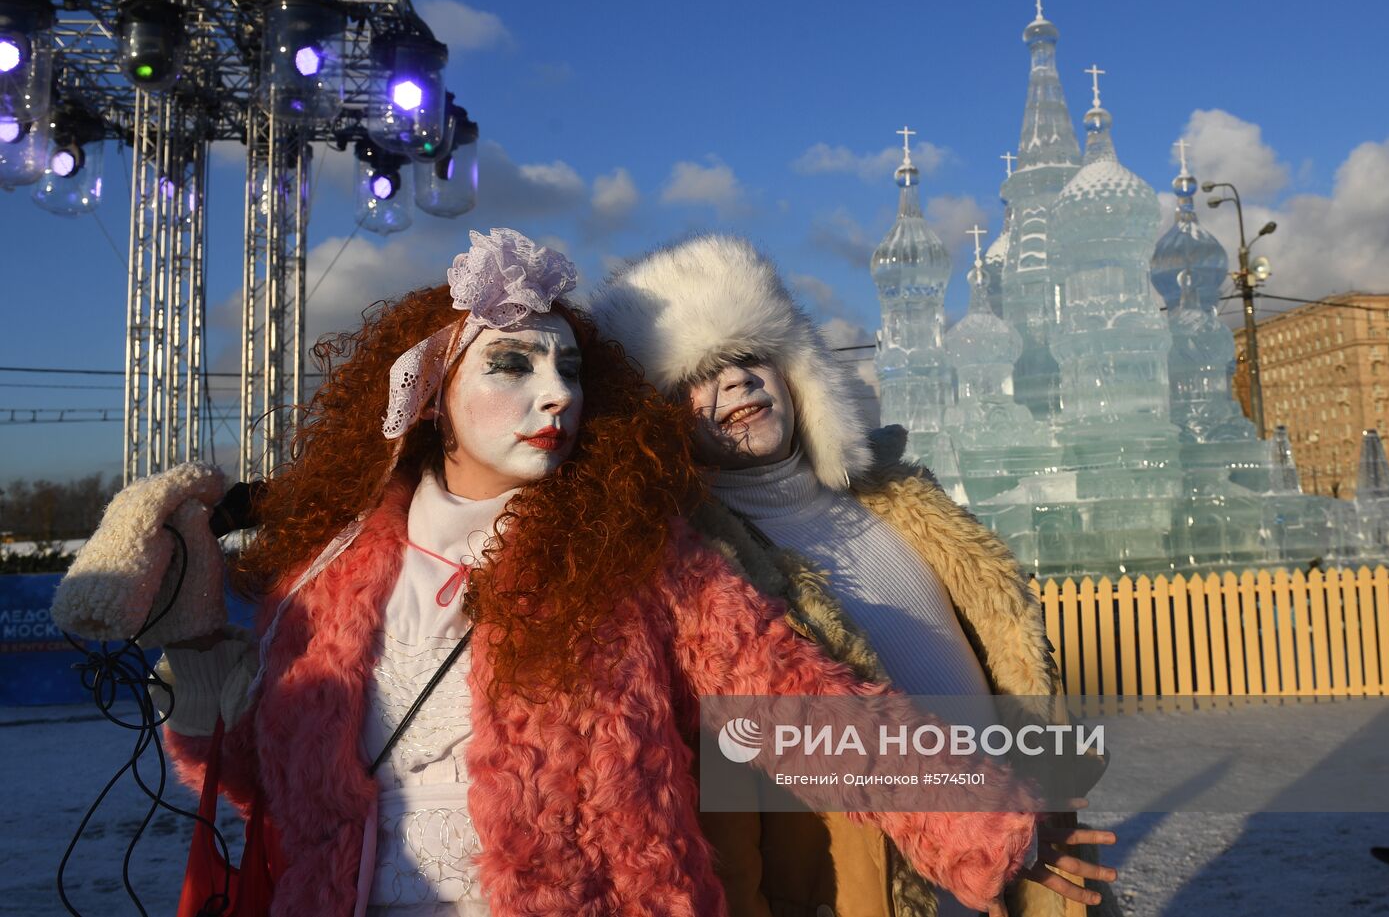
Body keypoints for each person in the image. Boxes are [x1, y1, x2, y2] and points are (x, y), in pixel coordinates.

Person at [53, 229, 1097, 917]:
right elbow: (267, 788)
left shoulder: (634, 557)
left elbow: (801, 704)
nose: (555, 392)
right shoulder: (327, 579)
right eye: (512, 363)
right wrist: (195, 659)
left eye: (569, 366)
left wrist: (990, 823)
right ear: (426, 392)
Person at [589, 233, 1118, 917]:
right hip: (865, 891)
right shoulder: (698, 572)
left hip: (1019, 863)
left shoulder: (904, 501)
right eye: (696, 377)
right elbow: (727, 813)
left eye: (752, 356)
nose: (736, 382)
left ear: (794, 369)